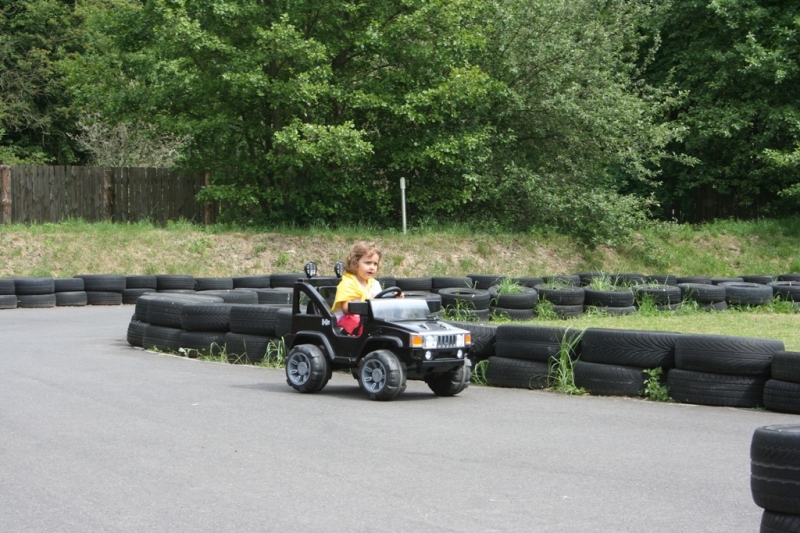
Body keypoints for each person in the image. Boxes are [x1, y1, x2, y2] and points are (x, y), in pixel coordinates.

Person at [332, 241, 387, 335]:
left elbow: (381, 303)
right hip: (343, 323)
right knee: (357, 320)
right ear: (355, 263)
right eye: (368, 263)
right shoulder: (347, 282)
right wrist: (367, 307)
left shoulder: (374, 284)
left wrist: (393, 298)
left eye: (375, 264)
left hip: (366, 319)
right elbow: (346, 308)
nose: (372, 267)